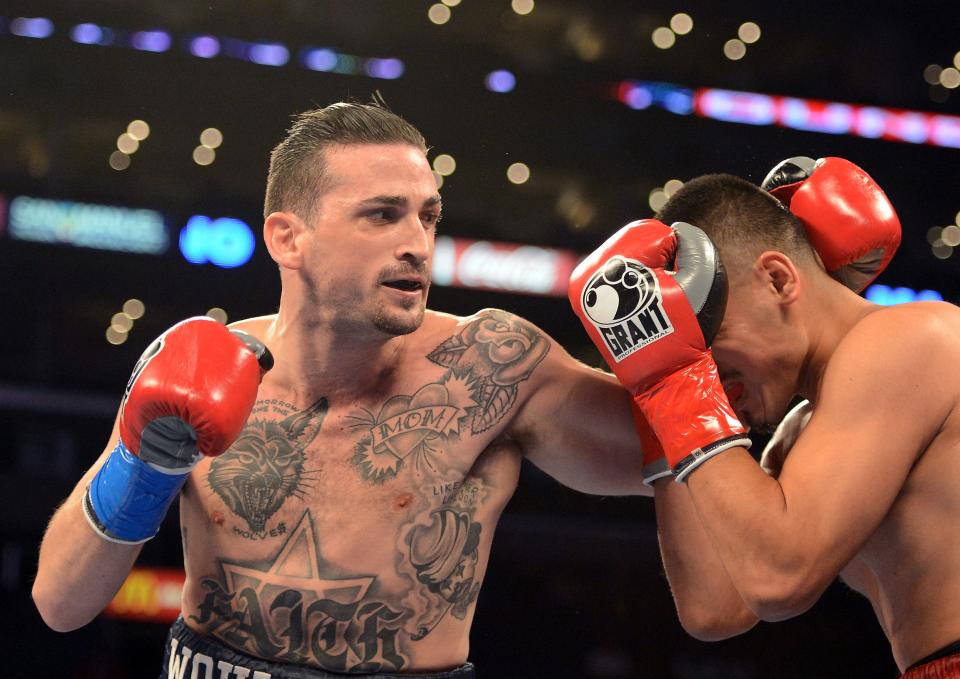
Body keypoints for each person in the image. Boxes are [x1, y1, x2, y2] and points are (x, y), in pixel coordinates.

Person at [32, 99, 652, 678]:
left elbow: (673, 459)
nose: (417, 244)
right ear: (287, 238)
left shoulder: (491, 369)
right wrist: (146, 465)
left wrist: (673, 347)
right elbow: (61, 602)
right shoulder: (201, 364)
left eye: (428, 217)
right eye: (382, 215)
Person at [568, 157, 960, 678]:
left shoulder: (914, 337)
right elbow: (717, 607)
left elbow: (780, 578)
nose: (714, 381)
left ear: (777, 280)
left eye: (712, 348)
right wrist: (653, 389)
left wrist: (675, 378)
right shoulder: (799, 436)